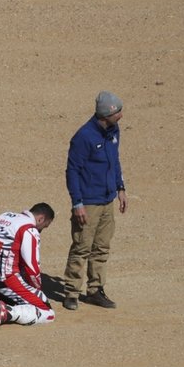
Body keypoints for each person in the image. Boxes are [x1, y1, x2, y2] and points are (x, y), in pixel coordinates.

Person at [62, 90, 127, 311]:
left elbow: (114, 161)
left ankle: (94, 290)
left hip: (107, 199)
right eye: (118, 112)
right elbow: (72, 171)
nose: (121, 116)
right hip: (88, 202)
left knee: (101, 247)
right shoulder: (84, 136)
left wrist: (120, 188)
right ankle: (71, 291)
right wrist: (77, 203)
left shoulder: (113, 130)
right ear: (106, 114)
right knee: (82, 247)